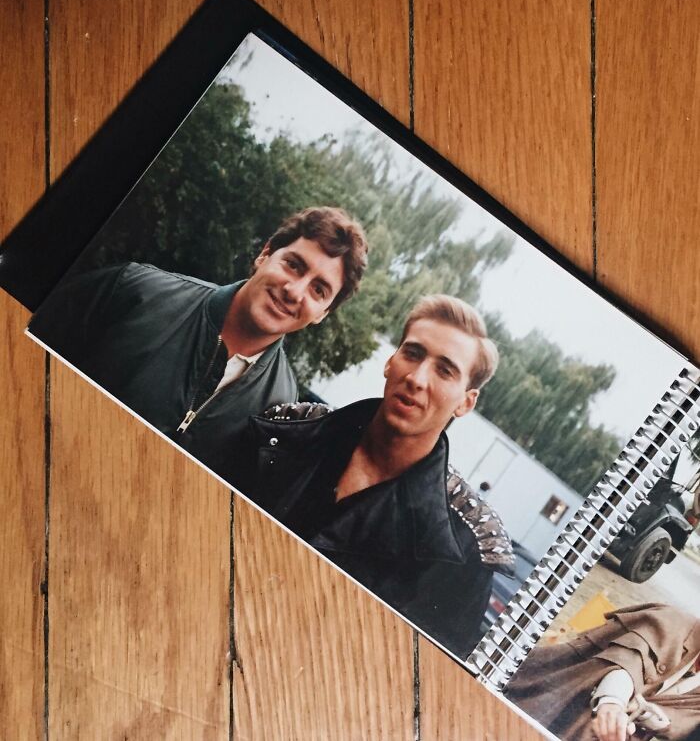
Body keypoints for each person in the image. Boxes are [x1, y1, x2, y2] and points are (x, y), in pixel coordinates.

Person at [229, 294, 515, 658]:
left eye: (445, 371)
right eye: (413, 354)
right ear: (390, 362)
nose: (417, 378)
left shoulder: (463, 552)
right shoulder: (284, 434)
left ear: (465, 402)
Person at [29, 206, 368, 474]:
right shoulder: (138, 291)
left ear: (323, 313)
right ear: (265, 254)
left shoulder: (279, 406)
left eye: (318, 290)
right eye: (293, 265)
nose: (295, 291)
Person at [506, 603, 700, 741]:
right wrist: (612, 703)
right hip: (551, 697)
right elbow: (629, 660)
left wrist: (656, 720)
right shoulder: (673, 621)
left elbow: (689, 723)